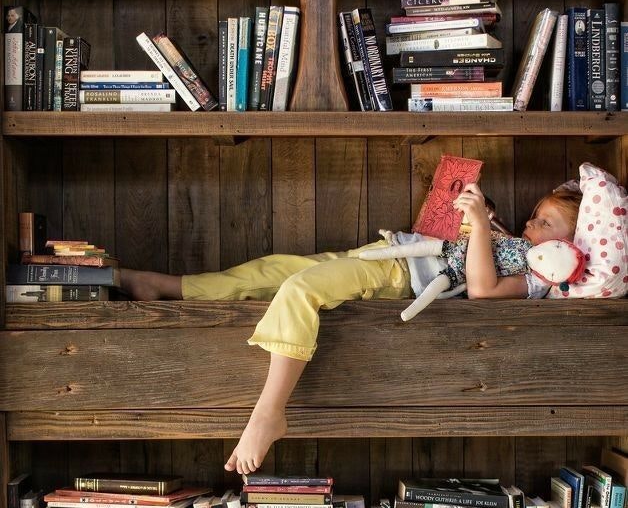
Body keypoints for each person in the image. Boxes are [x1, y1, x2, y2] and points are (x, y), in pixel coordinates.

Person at [121, 183, 582, 475]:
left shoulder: (539, 274)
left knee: (301, 289)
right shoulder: (516, 242)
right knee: (273, 272)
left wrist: (480, 224)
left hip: (399, 276)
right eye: (535, 214)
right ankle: (163, 285)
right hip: (392, 253)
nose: (530, 223)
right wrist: (469, 212)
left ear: (567, 245)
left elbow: (481, 289)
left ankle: (268, 413)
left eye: (546, 222)